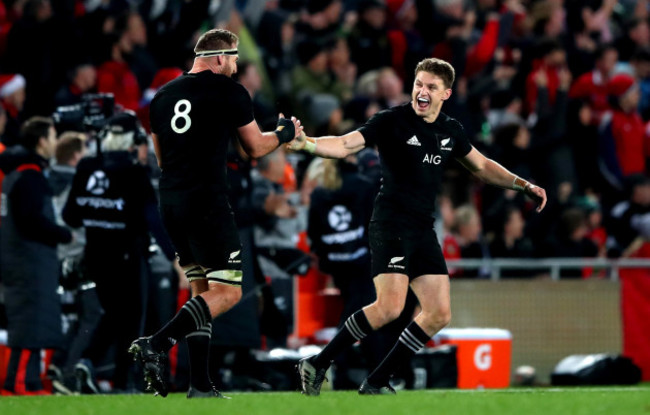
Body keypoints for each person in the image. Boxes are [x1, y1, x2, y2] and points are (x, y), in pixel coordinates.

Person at [289, 57, 547, 395]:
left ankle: (377, 381)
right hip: (391, 223)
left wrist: (523, 185)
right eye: (418, 84)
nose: (421, 92)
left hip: (423, 230)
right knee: (389, 308)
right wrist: (306, 144)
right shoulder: (392, 121)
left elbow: (481, 166)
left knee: (438, 313)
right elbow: (346, 143)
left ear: (446, 94)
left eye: (431, 87)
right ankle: (318, 363)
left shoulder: (450, 130)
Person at [129, 28, 303, 399]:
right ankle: (156, 344)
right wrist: (285, 133)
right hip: (207, 202)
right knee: (227, 293)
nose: (236, 67)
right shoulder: (230, 91)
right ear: (221, 57)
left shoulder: (161, 96)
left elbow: (161, 158)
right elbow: (255, 147)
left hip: (171, 203)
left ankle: (200, 385)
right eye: (235, 59)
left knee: (201, 290)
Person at [63, 112, 175, 393]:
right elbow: (153, 220)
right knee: (128, 320)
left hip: (95, 256)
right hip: (128, 257)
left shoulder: (87, 166)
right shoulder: (134, 173)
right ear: (133, 141)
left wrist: (98, 211)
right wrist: (176, 257)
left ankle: (90, 364)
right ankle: (117, 379)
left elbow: (71, 216)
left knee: (114, 314)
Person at [0, 117, 72, 395]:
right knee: (29, 324)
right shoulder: (30, 177)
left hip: (23, 260)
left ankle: (29, 382)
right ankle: (17, 384)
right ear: (41, 141)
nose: (55, 142)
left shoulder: (19, 175)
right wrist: (62, 233)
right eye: (53, 137)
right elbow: (31, 221)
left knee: (34, 322)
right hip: (27, 261)